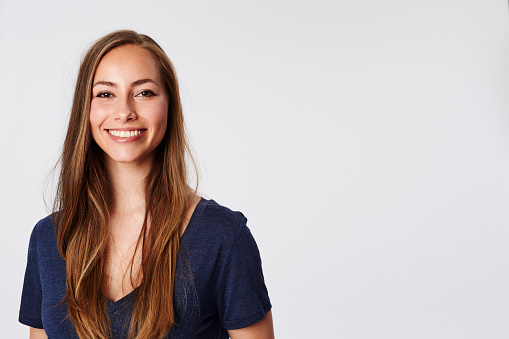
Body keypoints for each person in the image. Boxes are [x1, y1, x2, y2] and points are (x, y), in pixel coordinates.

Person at [19, 30, 273, 339]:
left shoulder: (224, 237)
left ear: (169, 105)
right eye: (105, 94)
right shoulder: (48, 238)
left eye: (144, 93)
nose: (124, 112)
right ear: (85, 109)